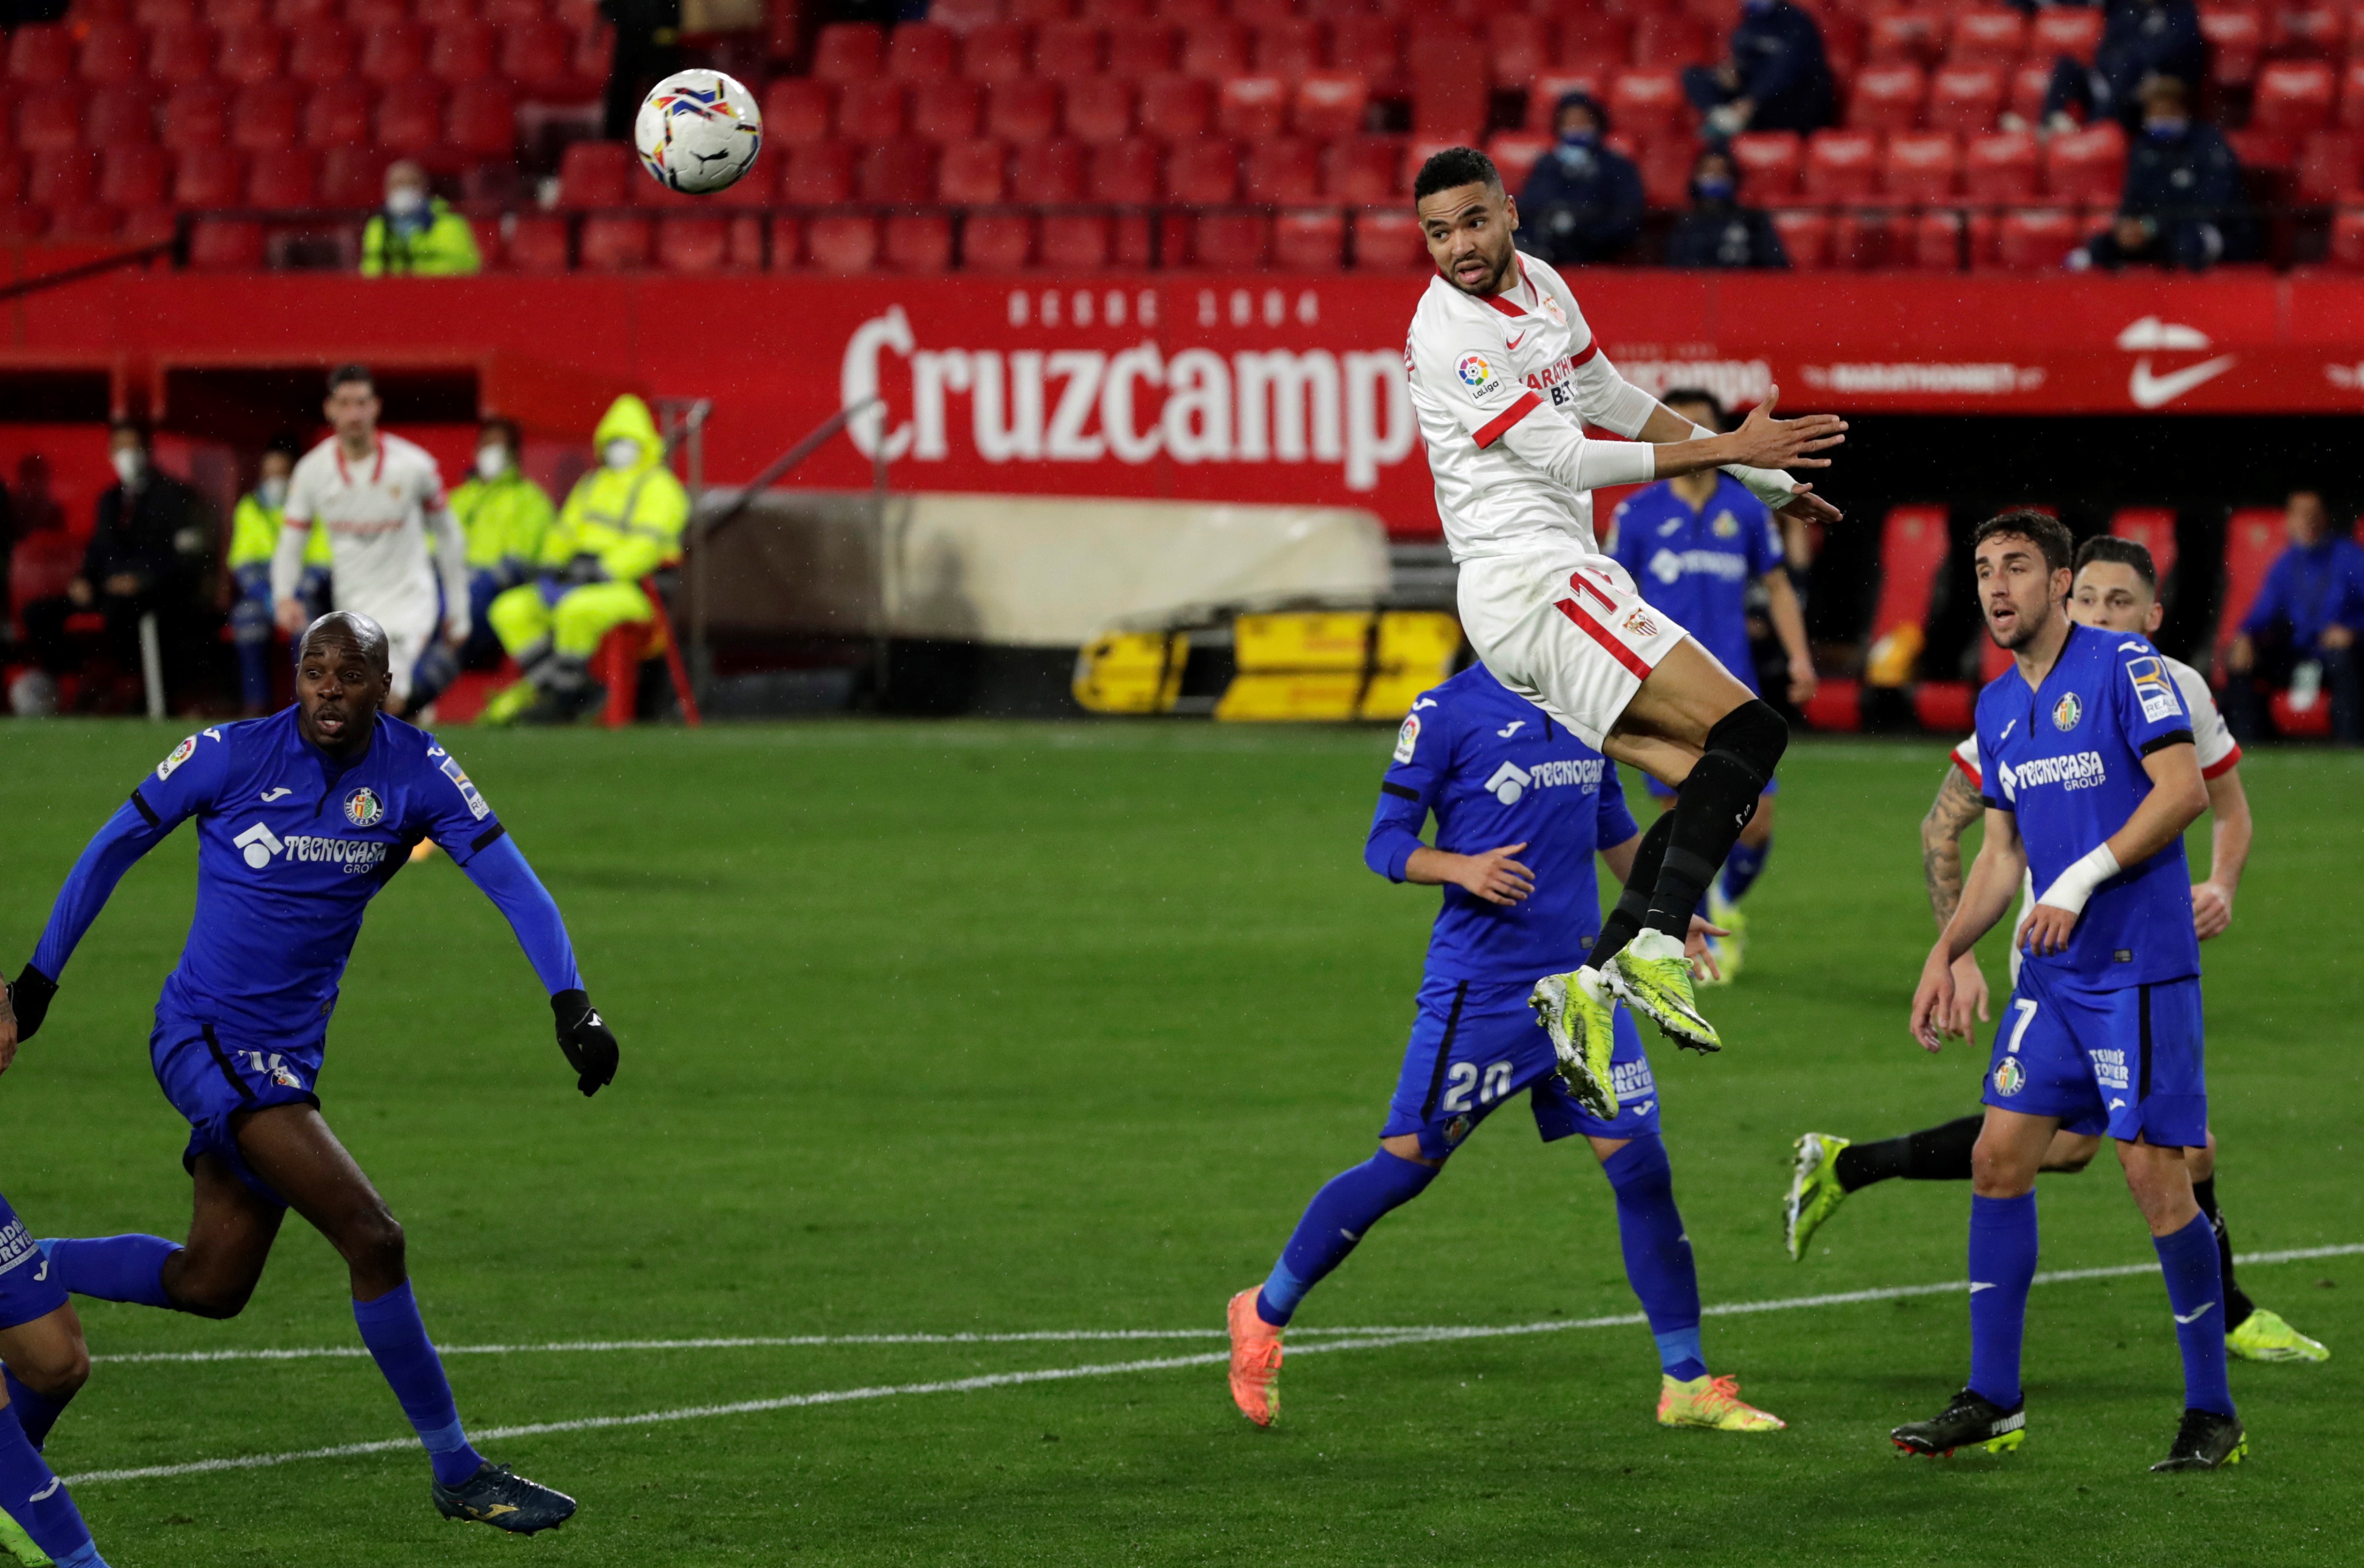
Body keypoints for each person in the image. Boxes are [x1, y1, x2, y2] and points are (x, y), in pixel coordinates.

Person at [5, 611, 620, 1535]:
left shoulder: (418, 773)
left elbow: (512, 880)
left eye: (350, 673)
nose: (329, 688)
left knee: (212, 1282)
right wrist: (37, 983)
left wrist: (571, 1002)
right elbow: (112, 847)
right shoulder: (228, 755)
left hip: (286, 1059)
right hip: (205, 1037)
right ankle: (457, 1469)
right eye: (314, 670)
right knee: (373, 1237)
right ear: (296, 678)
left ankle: (18, 1268)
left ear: (384, 684)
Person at [1786, 536, 2327, 1365]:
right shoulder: (2021, 697)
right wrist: (1957, 951)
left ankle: (1851, 1165)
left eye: (2122, 603)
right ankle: (2221, 1330)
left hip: (2139, 947)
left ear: (2153, 614)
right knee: (2145, 1148)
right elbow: (1950, 825)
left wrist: (2221, 884)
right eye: (2092, 601)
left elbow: (2225, 803)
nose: (2104, 616)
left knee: (2085, 1148)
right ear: (2067, 602)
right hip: (2055, 948)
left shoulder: (2174, 685)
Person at [1226, 663, 1782, 1435]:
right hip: (1482, 993)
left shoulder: (1586, 703)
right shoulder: (1444, 712)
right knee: (1404, 1165)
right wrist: (1460, 867)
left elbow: (1612, 826)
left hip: (1583, 986)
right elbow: (1383, 844)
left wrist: (1670, 913)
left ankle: (1686, 1381)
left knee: (1642, 1168)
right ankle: (1261, 1311)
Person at [1404, 145, 1844, 1110]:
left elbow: (1605, 397)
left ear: (1508, 211)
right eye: (1438, 233)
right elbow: (1563, 456)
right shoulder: (1449, 333)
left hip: (1548, 587)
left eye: (1473, 222)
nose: (1460, 248)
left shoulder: (1545, 288)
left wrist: (1756, 477)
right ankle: (1652, 943)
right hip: (1533, 581)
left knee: (1710, 783)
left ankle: (1588, 984)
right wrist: (1730, 443)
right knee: (1752, 731)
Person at [1898, 510, 2240, 1471]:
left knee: (2150, 1175)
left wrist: (2080, 877)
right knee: (1998, 1158)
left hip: (2135, 966)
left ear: (2058, 582)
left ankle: (2212, 1410)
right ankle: (1993, 1396)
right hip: (2052, 977)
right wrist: (1947, 948)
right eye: (1981, 570)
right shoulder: (2000, 706)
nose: (1996, 586)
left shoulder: (2126, 669)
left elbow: (2180, 793)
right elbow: (2000, 851)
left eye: (2016, 567)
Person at [1606, 387, 1816, 979]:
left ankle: (1724, 903)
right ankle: (1686, 936)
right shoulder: (1636, 515)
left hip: (1733, 689)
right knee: (1681, 811)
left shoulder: (1745, 509)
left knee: (1757, 821)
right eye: (1680, 426)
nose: (1691, 438)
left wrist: (1798, 658)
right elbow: (1611, 596)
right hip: (1660, 690)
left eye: (1702, 428)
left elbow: (1776, 586)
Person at [273, 364, 470, 719]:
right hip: (354, 605)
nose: (354, 413)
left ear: (376, 407)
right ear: (329, 409)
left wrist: (459, 605)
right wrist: (283, 595)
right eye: (345, 403)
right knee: (362, 708)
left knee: (385, 697)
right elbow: (291, 540)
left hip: (410, 603)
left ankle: (402, 748)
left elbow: (448, 533)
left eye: (362, 403)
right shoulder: (313, 472)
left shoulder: (414, 467)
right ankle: (406, 753)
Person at [479, 395, 688, 726]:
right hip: (578, 579)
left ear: (645, 442)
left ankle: (564, 698)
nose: (619, 448)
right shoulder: (591, 484)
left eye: (627, 441)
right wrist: (551, 566)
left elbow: (648, 546)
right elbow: (563, 533)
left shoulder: (660, 486)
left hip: (634, 588)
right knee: (509, 610)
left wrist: (602, 570)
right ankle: (568, 689)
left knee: (575, 610)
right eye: (613, 441)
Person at [69, 420, 217, 713]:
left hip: (157, 591)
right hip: (109, 588)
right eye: (120, 447)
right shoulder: (109, 500)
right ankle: (72, 689)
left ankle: (131, 694)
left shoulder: (175, 496)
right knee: (41, 614)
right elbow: (98, 550)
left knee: (128, 611)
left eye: (133, 446)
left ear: (148, 450)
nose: (127, 454)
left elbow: (185, 556)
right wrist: (83, 579)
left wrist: (142, 579)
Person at [2224, 489, 2364, 744]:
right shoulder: (2285, 564)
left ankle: (2350, 751)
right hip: (2295, 654)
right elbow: (2261, 613)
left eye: (2312, 514)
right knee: (2240, 660)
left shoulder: (2350, 557)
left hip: (2337, 656)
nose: (2307, 522)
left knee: (2344, 663)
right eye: (2300, 515)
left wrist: (2352, 631)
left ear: (2325, 518)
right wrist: (2245, 636)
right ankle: (2248, 749)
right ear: (2288, 520)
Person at [2072, 77, 2248, 273]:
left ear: (2182, 110)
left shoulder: (2210, 144)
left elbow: (2211, 207)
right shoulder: (2143, 148)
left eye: (2166, 111)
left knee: (2187, 245)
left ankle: (2185, 301)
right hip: (2155, 233)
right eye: (2154, 112)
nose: (2160, 118)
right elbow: (2133, 199)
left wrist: (2153, 226)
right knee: (2102, 247)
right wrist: (2127, 226)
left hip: (2204, 230)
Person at [227, 439, 331, 715]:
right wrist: (272, 597)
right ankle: (257, 709)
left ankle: (308, 709)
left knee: (307, 625)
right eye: (269, 474)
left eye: (282, 474)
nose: (274, 481)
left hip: (302, 592)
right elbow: (242, 564)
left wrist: (293, 597)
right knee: (247, 618)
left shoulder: (315, 506)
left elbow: (322, 561)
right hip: (263, 593)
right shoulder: (251, 506)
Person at [444, 418, 555, 671]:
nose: (491, 453)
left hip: (496, 590)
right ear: (475, 451)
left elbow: (520, 560)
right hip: (453, 585)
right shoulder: (457, 499)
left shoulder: (531, 501)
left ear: (513, 455)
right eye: (486, 445)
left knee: (472, 597)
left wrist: (478, 577)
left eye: (500, 447)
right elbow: (430, 543)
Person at [2038, 0, 2205, 135]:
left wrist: (2154, 81)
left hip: (2146, 93)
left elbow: (2189, 57)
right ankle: (2052, 126)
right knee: (2067, 66)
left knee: (2121, 90)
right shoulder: (2123, 8)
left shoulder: (2181, 11)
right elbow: (2107, 49)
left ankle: (2090, 137)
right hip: (2112, 80)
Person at [1517, 92, 1645, 268]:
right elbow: (1529, 204)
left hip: (1597, 259)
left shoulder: (1617, 166)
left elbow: (1627, 218)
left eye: (1582, 121)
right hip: (1548, 257)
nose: (1575, 127)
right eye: (1569, 122)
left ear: (1596, 124)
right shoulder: (1547, 164)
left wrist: (1582, 229)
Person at [1681, 0, 1834, 139]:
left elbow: (1789, 67)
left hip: (1790, 100)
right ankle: (1727, 120)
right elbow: (1743, 61)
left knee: (1804, 90)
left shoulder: (1796, 20)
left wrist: (1754, 98)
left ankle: (1730, 126)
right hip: (1750, 101)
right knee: (1693, 76)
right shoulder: (1747, 24)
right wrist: (1733, 74)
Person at [1664, 149, 1790, 270]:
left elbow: (1776, 268)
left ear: (1732, 177)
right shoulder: (1687, 224)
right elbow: (1677, 273)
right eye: (1708, 172)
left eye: (1720, 172)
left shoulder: (1752, 220)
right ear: (1696, 177)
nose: (1714, 178)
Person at [359, 162, 481, 278]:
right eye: (398, 184)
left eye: (413, 183)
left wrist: (415, 274)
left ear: (425, 187)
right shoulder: (378, 225)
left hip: (439, 294)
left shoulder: (450, 222)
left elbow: (465, 267)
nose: (404, 189)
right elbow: (370, 268)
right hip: (390, 295)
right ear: (386, 190)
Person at [600, 0, 684, 141]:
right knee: (622, 92)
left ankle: (672, 139)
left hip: (660, 35)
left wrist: (669, 26)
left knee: (667, 92)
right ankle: (613, 146)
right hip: (629, 34)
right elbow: (608, 9)